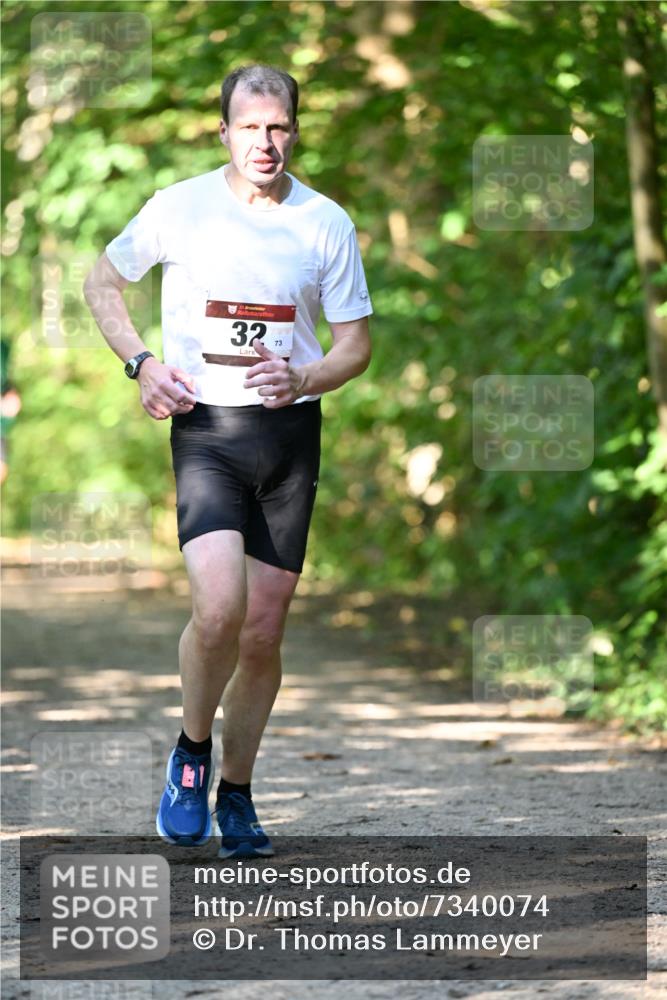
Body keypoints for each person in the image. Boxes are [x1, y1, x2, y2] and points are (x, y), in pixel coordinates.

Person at [83, 65, 373, 858]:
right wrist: (141, 363)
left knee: (263, 631)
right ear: (223, 133)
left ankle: (237, 793)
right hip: (206, 429)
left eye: (278, 127)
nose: (265, 142)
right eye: (249, 127)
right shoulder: (179, 208)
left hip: (289, 435)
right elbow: (102, 282)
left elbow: (355, 345)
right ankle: (190, 753)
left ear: (295, 132)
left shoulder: (325, 223)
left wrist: (305, 376)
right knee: (217, 611)